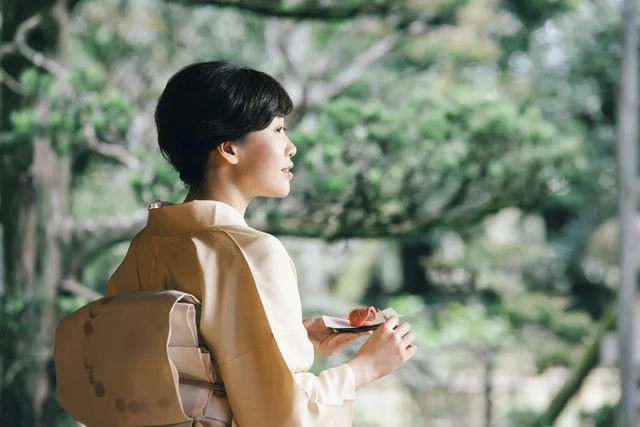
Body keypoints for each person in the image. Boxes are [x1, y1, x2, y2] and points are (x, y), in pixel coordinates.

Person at [103, 61, 417, 426]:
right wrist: (367, 367)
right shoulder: (251, 252)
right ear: (229, 149)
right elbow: (283, 417)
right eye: (278, 129)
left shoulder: (147, 244)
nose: (291, 147)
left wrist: (291, 336)